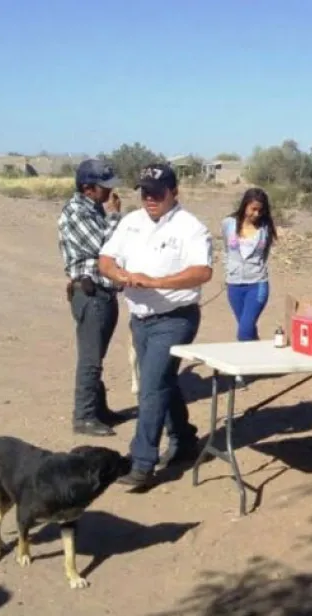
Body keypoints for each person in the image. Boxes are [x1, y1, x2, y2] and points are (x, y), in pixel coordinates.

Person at [98, 163, 213, 488]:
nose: (150, 198)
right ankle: (185, 439)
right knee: (164, 382)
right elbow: (105, 260)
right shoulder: (130, 222)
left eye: (157, 193)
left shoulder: (191, 227)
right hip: (140, 318)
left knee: (151, 388)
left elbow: (202, 272)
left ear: (174, 192)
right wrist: (118, 274)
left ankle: (141, 461)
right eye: (145, 192)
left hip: (175, 318)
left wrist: (156, 281)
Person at [58, 159, 125, 437]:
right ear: (88, 188)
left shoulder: (93, 209)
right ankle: (84, 416)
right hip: (91, 293)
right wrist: (114, 216)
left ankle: (99, 409)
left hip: (102, 292)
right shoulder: (76, 213)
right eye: (104, 187)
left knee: (96, 354)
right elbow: (104, 247)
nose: (109, 192)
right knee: (90, 358)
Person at [221, 187, 277, 341]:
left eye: (261, 210)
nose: (257, 214)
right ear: (245, 205)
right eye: (253, 209)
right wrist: (229, 271)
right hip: (234, 284)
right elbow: (226, 250)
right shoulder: (228, 224)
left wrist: (259, 270)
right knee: (247, 328)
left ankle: (244, 361)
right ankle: (258, 358)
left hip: (257, 283)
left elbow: (264, 255)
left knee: (244, 331)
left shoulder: (265, 228)